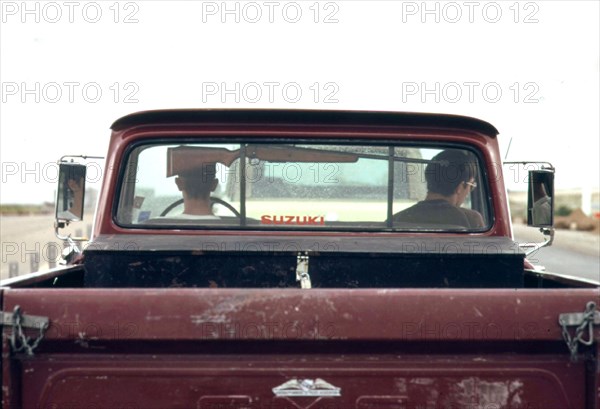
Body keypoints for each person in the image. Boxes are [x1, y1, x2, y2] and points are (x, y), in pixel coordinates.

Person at [392, 149, 484, 228]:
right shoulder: (472, 220)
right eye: (471, 185)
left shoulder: (395, 220)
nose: (469, 191)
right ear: (459, 187)